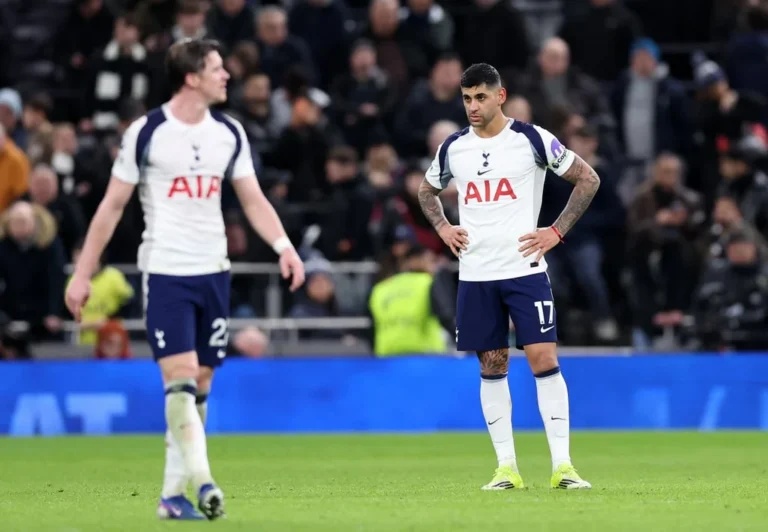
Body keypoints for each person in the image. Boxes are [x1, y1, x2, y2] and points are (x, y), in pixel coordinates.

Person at [64, 38, 305, 520]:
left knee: (202, 381)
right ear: (192, 77)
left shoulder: (229, 132)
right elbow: (111, 207)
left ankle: (172, 497)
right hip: (166, 270)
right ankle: (205, 481)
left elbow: (253, 198)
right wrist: (83, 274)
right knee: (180, 376)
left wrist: (284, 246)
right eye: (216, 68)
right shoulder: (147, 132)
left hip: (214, 270)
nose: (226, 75)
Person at [418, 63, 598, 490]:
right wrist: (443, 228)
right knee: (492, 364)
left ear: (500, 96)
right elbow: (426, 190)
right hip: (476, 274)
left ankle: (563, 467)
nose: (473, 106)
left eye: (480, 97)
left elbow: (588, 179)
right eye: (466, 98)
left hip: (524, 270)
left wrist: (555, 232)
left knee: (544, 358)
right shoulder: (454, 147)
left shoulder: (532, 139)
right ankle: (506, 470)